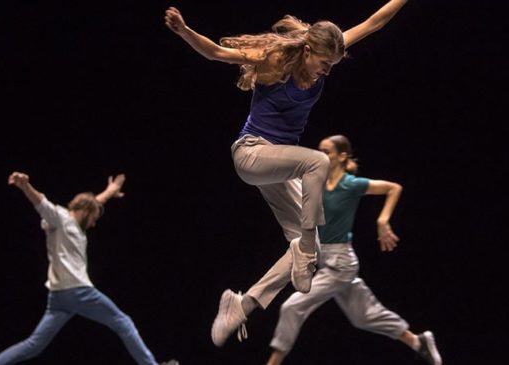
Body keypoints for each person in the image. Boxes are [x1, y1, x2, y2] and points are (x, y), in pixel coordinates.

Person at [164, 0, 410, 347]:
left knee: (314, 252)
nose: (325, 72)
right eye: (324, 64)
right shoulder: (274, 59)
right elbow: (218, 54)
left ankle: (243, 304)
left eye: (332, 67)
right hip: (251, 153)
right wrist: (185, 31)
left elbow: (373, 22)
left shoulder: (328, 51)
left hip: (281, 165)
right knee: (318, 164)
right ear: (309, 50)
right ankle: (307, 248)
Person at [265, 135, 442, 365]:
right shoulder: (315, 181)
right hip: (324, 258)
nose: (321, 155)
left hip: (340, 262)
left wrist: (383, 221)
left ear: (342, 156)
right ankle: (418, 342)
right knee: (363, 315)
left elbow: (393, 188)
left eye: (327, 152)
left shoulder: (351, 185)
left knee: (292, 306)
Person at [0, 172, 178, 365]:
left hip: (58, 297)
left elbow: (94, 202)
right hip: (78, 291)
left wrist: (109, 192)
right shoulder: (60, 218)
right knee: (123, 322)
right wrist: (25, 186)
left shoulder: (76, 222)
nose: (93, 223)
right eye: (94, 218)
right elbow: (41, 202)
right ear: (85, 212)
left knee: (34, 345)